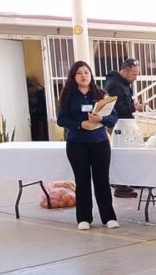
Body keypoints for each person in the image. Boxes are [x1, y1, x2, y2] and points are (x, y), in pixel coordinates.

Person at [56, 61, 120, 230]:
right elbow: (61, 120)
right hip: (77, 144)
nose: (83, 75)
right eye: (79, 73)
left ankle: (109, 217)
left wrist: (102, 120)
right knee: (82, 181)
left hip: (100, 143)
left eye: (86, 72)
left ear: (91, 75)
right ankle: (84, 218)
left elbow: (114, 117)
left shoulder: (101, 94)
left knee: (102, 181)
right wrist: (80, 124)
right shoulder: (68, 95)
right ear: (73, 76)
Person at [105, 58, 144, 198]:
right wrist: (134, 107)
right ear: (125, 70)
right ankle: (120, 185)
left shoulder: (125, 84)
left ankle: (125, 182)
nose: (135, 77)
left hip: (127, 123)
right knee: (122, 155)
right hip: (119, 125)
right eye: (134, 74)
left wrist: (133, 107)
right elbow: (117, 108)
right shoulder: (115, 85)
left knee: (129, 154)